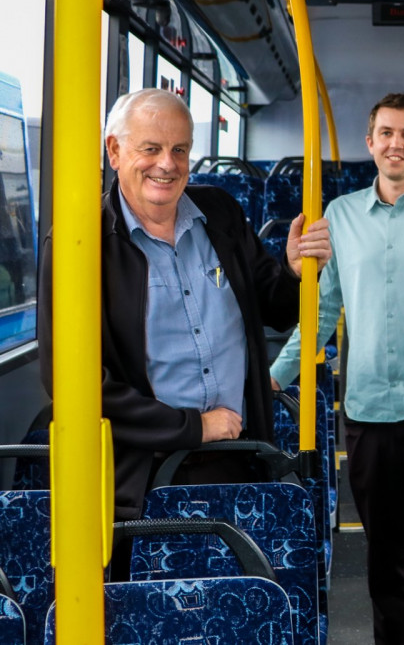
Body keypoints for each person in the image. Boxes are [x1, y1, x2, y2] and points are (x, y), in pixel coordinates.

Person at [37, 88, 332, 522]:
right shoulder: (80, 244)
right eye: (151, 149)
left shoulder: (221, 213)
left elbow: (275, 310)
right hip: (143, 477)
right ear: (115, 151)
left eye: (180, 149)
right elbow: (72, 383)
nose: (167, 164)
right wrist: (192, 426)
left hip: (241, 457)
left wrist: (293, 274)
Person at [271, 93, 404, 645]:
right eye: (386, 133)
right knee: (384, 559)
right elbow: (322, 310)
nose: (396, 143)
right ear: (371, 143)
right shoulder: (339, 217)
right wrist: (274, 376)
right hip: (365, 413)